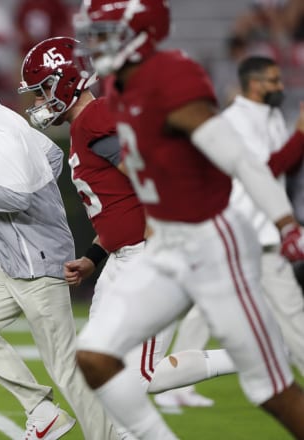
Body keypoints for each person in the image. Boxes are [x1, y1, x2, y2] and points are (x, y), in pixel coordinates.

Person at [73, 0, 304, 438]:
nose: (96, 43)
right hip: (165, 246)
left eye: (105, 32)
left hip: (212, 241)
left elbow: (239, 159)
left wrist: (285, 223)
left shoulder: (170, 76)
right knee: (94, 356)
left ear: (139, 32)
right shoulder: (121, 90)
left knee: (272, 391)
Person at [17, 36, 232, 417]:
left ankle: (257, 354)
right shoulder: (87, 124)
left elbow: (152, 179)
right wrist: (94, 256)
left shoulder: (97, 120)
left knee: (138, 377)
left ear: (65, 81)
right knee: (97, 364)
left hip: (149, 256)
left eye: (41, 91)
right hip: (121, 258)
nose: (37, 102)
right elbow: (121, 204)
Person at [0, 50, 118, 440]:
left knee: (65, 365)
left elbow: (17, 198)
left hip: (37, 262)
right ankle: (41, 410)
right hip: (16, 260)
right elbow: (50, 156)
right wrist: (36, 208)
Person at [156, 55, 304, 407]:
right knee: (286, 316)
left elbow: (282, 169)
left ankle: (174, 385)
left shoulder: (269, 118)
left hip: (260, 233)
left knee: (210, 308)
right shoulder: (235, 120)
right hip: (244, 232)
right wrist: (300, 134)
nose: (280, 87)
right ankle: (171, 383)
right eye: (273, 81)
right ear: (254, 83)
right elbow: (264, 168)